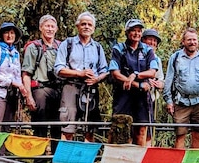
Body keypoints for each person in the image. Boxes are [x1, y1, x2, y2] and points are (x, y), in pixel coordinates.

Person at [53, 12, 109, 148]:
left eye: (89, 25)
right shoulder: (68, 44)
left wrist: (96, 79)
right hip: (71, 87)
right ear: (77, 26)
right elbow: (58, 69)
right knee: (67, 127)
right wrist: (79, 74)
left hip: (90, 90)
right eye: (83, 24)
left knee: (89, 129)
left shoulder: (97, 47)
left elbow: (105, 70)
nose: (86, 27)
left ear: (93, 28)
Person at [109, 19, 159, 147]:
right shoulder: (119, 49)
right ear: (127, 32)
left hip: (142, 98)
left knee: (141, 131)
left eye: (139, 31)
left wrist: (135, 75)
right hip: (123, 95)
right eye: (133, 30)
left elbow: (152, 72)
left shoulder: (148, 50)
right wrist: (136, 83)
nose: (136, 33)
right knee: (121, 129)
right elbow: (115, 73)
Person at [164, 28, 199, 149]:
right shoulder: (176, 57)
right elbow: (169, 79)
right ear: (183, 41)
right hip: (181, 103)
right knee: (180, 135)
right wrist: (169, 101)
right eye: (189, 40)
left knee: (197, 134)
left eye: (194, 39)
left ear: (198, 41)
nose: (192, 42)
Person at [21, 14, 62, 147]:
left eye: (52, 26)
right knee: (40, 126)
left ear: (56, 29)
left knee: (58, 126)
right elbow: (26, 73)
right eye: (47, 26)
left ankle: (56, 162)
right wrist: (28, 96)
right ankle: (39, 159)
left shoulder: (61, 47)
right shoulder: (34, 47)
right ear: (41, 28)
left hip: (58, 90)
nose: (50, 29)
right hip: (40, 89)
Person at [0, 22, 25, 132]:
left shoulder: (15, 53)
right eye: (6, 32)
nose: (9, 35)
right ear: (1, 35)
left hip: (11, 95)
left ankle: (2, 150)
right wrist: (11, 82)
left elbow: (17, 74)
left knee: (6, 128)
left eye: (12, 33)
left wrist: (21, 88)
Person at [142, 28, 166, 146]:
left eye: (155, 41)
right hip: (137, 97)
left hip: (151, 98)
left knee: (150, 129)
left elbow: (161, 79)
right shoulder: (137, 55)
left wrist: (159, 84)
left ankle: (147, 158)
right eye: (150, 40)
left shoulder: (157, 59)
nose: (152, 43)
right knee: (138, 129)